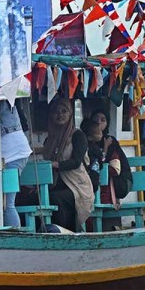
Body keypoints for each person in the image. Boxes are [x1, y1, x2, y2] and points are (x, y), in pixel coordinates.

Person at [43, 98, 94, 231]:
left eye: (64, 111)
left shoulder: (78, 136)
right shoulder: (49, 140)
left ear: (71, 113)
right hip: (55, 184)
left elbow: (76, 162)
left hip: (77, 185)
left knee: (55, 199)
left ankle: (65, 233)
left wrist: (56, 164)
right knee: (32, 198)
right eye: (56, 111)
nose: (60, 115)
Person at [82, 110, 132, 208]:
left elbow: (113, 167)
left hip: (119, 181)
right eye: (96, 119)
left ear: (107, 123)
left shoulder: (110, 141)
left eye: (103, 120)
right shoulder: (86, 143)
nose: (99, 122)